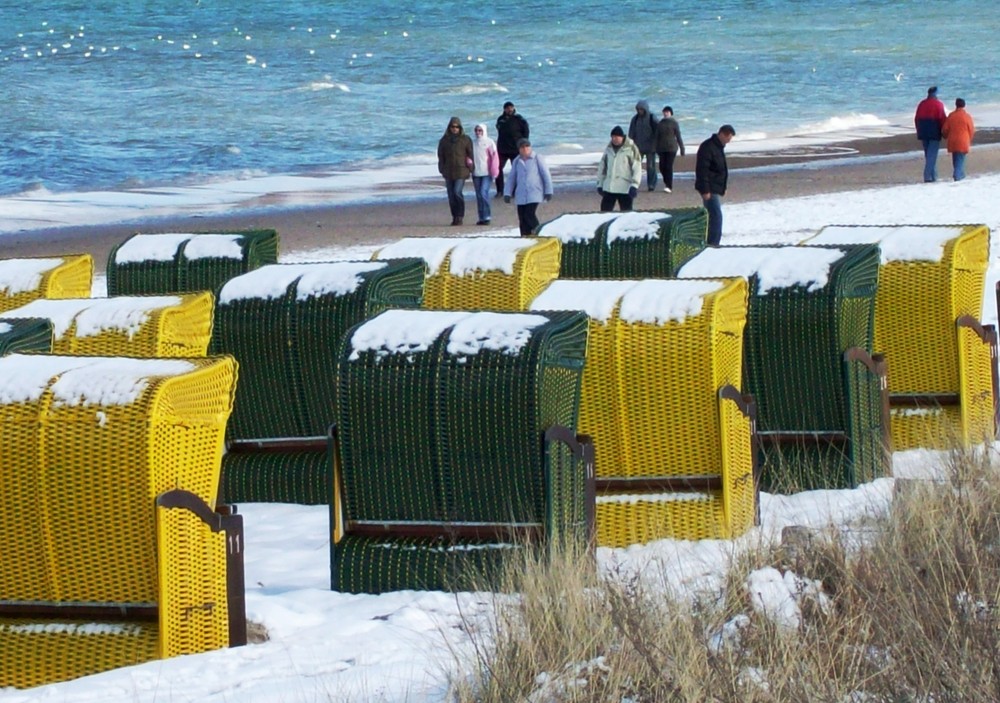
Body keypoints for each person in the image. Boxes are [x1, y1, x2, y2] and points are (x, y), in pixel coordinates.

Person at [694, 124, 735, 246]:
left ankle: (711, 242)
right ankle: (713, 244)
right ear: (722, 134)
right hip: (709, 188)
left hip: (715, 187)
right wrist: (705, 190)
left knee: (713, 216)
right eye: (728, 139)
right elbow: (702, 170)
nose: (728, 142)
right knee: (716, 216)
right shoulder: (708, 147)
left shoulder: (718, 147)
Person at [503, 138, 552, 236]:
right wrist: (507, 193)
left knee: (529, 215)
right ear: (519, 149)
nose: (525, 149)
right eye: (522, 147)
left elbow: (545, 174)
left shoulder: (537, 158)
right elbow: (511, 178)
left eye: (527, 146)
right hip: (521, 194)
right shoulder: (517, 161)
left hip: (534, 192)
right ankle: (525, 237)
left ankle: (540, 234)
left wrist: (548, 191)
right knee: (522, 219)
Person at [437, 116, 473, 226]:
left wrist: (471, 168)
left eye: (457, 127)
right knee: (451, 195)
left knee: (457, 192)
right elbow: (440, 155)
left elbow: (470, 155)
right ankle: (455, 216)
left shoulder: (466, 139)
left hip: (461, 170)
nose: (455, 129)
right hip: (448, 171)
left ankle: (460, 216)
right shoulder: (444, 140)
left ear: (460, 128)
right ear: (449, 127)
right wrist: (442, 168)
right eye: (453, 127)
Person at [596, 125, 642, 212]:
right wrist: (600, 184)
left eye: (617, 137)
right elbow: (602, 167)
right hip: (609, 187)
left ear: (622, 137)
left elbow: (637, 167)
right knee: (604, 212)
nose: (614, 139)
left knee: (626, 214)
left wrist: (635, 185)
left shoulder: (631, 148)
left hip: (625, 188)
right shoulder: (608, 149)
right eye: (613, 137)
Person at [494, 101, 529, 197]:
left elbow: (526, 131)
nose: (509, 109)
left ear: (513, 108)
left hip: (515, 149)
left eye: (511, 107)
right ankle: (500, 190)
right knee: (497, 169)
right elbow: (498, 128)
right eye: (507, 108)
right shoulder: (501, 119)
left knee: (516, 170)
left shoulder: (519, 119)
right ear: (504, 109)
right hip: (502, 149)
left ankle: (515, 190)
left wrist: (524, 144)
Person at [914, 86, 947, 182]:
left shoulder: (922, 104)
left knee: (928, 154)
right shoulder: (938, 104)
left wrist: (918, 130)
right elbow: (942, 119)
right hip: (934, 131)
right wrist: (944, 132)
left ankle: (934, 176)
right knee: (932, 155)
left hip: (923, 131)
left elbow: (916, 119)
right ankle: (927, 176)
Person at [471, 123, 500, 225]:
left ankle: (487, 216)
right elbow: (469, 156)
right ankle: (481, 217)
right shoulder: (472, 143)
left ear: (484, 131)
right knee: (479, 196)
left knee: (484, 193)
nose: (478, 132)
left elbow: (495, 158)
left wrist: (494, 171)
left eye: (480, 130)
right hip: (476, 173)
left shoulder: (489, 142)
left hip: (487, 173)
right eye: (476, 130)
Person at [628, 100, 659, 191]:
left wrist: (656, 144)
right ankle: (634, 184)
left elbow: (658, 131)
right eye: (638, 109)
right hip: (638, 147)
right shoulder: (635, 119)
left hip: (650, 147)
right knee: (635, 166)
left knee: (650, 167)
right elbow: (631, 133)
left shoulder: (652, 118)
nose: (640, 111)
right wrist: (630, 145)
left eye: (641, 109)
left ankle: (651, 184)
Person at [942, 98, 975, 182]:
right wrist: (969, 139)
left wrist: (945, 136)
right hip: (963, 140)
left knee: (956, 159)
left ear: (956, 105)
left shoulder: (951, 115)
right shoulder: (967, 116)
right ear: (964, 105)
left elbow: (945, 129)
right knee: (960, 159)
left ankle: (960, 174)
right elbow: (971, 130)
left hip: (953, 141)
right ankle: (958, 175)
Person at [655, 105, 685, 193]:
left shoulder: (674, 123)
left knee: (668, 166)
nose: (665, 113)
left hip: (672, 148)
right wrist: (654, 147)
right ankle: (666, 181)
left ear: (671, 113)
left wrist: (682, 148)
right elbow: (656, 137)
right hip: (661, 148)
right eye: (664, 112)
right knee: (661, 167)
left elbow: (678, 136)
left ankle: (669, 186)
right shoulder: (660, 123)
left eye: (667, 112)